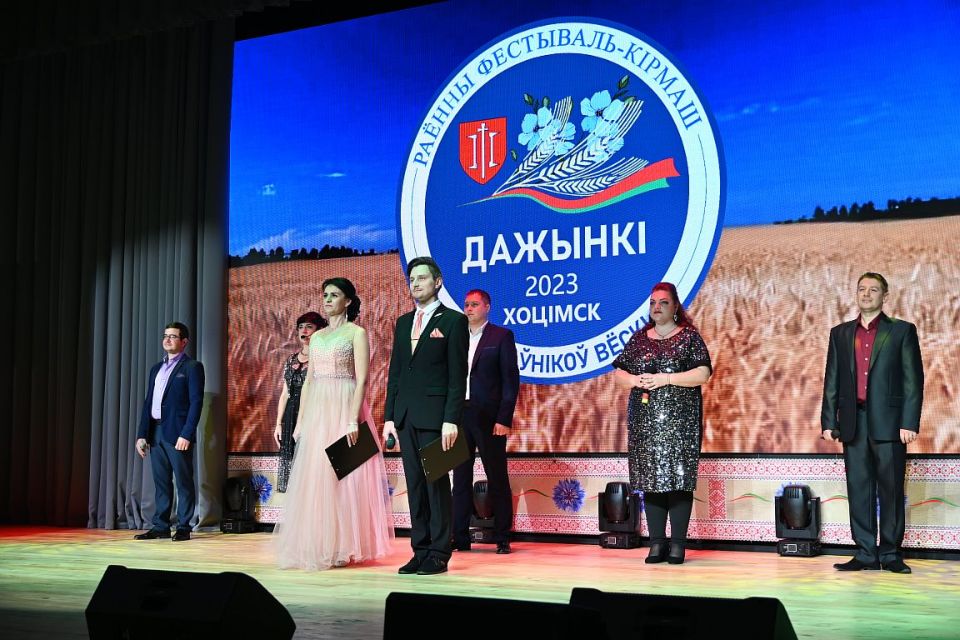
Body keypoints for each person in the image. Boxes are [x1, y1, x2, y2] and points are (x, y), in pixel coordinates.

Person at [275, 278, 393, 570]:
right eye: (325, 295)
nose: (327, 300)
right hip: (318, 410)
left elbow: (362, 379)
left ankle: (345, 545)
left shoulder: (357, 333)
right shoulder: (317, 337)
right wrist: (300, 421)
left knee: (346, 478)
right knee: (318, 478)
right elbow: (309, 382)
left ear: (348, 301)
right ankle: (322, 543)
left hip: (345, 406)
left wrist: (352, 419)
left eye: (334, 295)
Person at [821, 272, 923, 574]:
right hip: (853, 422)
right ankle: (865, 553)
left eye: (873, 289)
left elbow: (913, 381)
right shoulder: (840, 333)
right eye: (861, 289)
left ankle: (890, 554)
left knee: (890, 489)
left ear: (885, 296)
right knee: (859, 489)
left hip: (890, 424)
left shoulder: (902, 331)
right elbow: (832, 380)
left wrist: (909, 422)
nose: (866, 294)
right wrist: (828, 421)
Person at [612, 283, 712, 565]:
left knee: (679, 480)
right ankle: (657, 543)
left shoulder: (689, 337)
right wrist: (634, 380)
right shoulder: (639, 339)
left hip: (680, 422)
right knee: (651, 480)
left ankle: (678, 544)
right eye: (653, 302)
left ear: (675, 306)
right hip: (645, 422)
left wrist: (666, 379)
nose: (657, 307)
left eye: (663, 302)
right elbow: (619, 374)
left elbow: (703, 373)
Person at [383, 256, 469, 575]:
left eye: (421, 278)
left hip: (436, 418)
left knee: (436, 486)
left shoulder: (453, 321)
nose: (415, 283)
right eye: (412, 279)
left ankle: (439, 552)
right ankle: (419, 550)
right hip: (405, 416)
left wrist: (451, 419)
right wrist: (389, 417)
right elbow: (395, 373)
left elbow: (458, 376)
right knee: (415, 486)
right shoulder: (404, 322)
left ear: (438, 281)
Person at [451, 289, 519, 554]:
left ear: (487, 307)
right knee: (460, 479)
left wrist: (504, 418)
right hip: (460, 415)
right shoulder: (457, 337)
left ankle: (502, 537)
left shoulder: (501, 336)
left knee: (497, 477)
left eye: (475, 305)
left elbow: (510, 381)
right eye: (466, 304)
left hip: (489, 418)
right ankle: (459, 536)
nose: (469, 309)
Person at [135, 322, 205, 542]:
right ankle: (161, 526)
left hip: (177, 433)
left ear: (184, 342)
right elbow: (149, 402)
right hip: (156, 432)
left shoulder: (192, 367)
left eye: (173, 336)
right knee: (161, 482)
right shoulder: (156, 368)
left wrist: (187, 433)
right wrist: (142, 434)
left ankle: (183, 527)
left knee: (183, 482)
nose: (167, 339)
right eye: (165, 335)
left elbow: (196, 403)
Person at [273, 311, 327, 493]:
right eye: (301, 327)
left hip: (314, 413)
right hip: (291, 415)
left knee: (312, 460)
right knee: (292, 463)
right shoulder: (291, 360)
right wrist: (278, 424)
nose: (304, 331)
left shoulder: (323, 358)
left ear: (319, 330)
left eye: (309, 327)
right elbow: (285, 393)